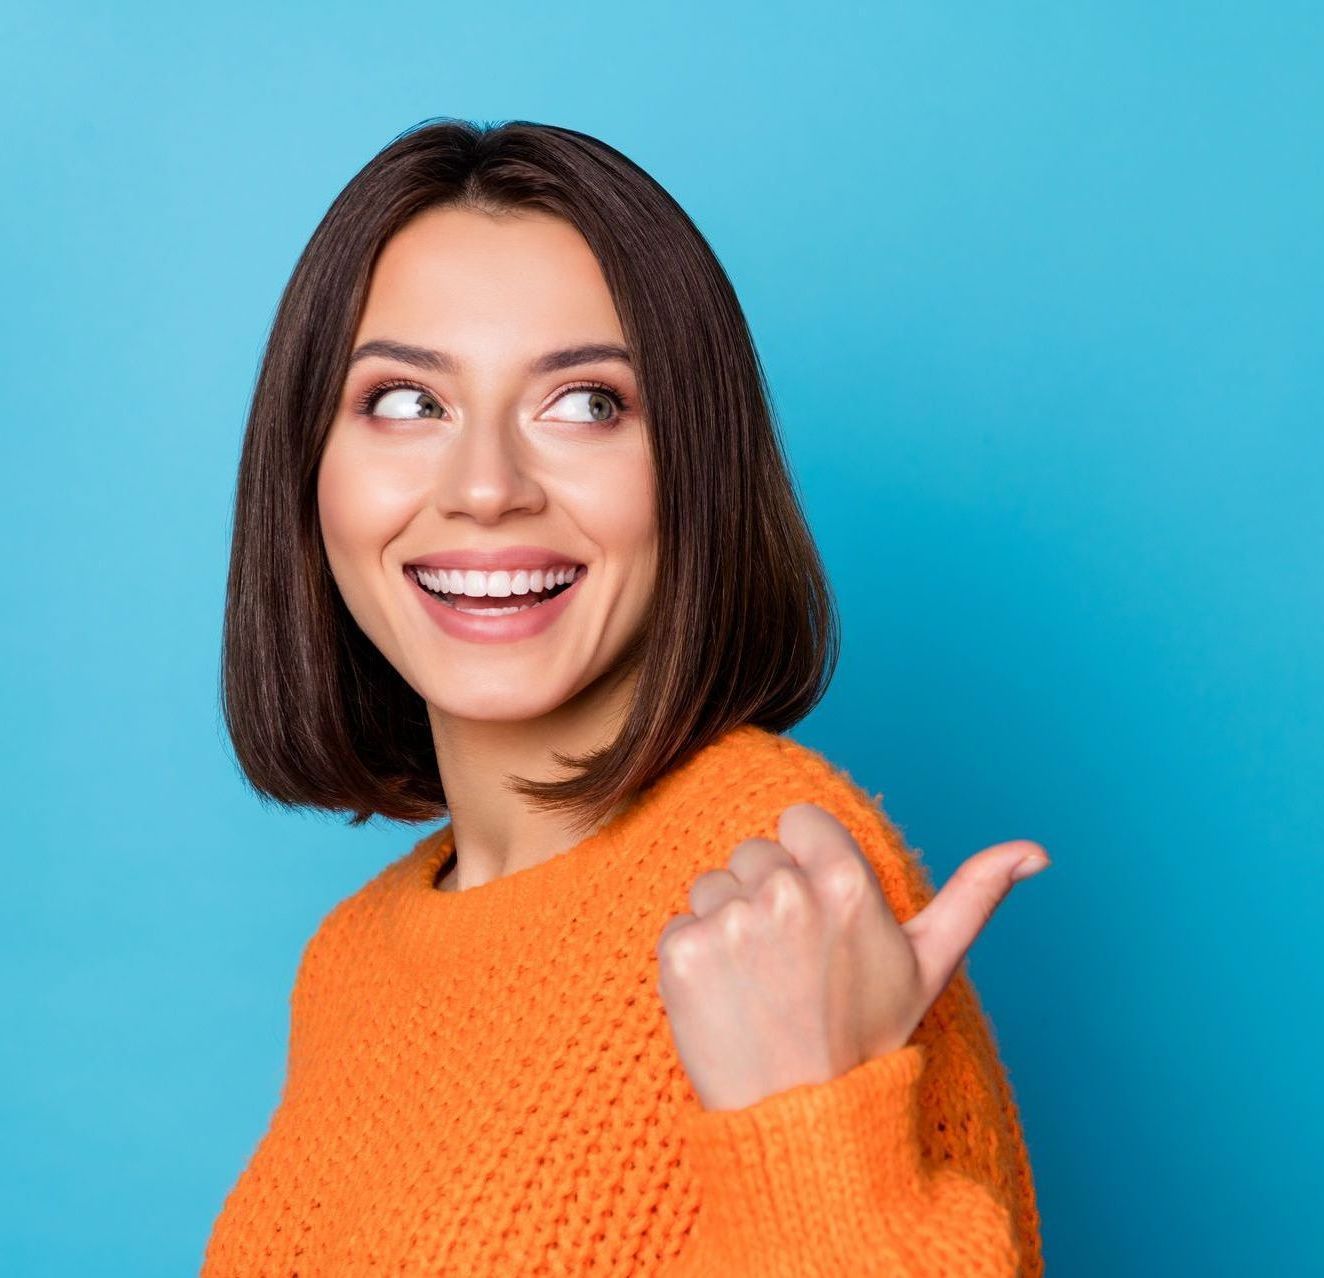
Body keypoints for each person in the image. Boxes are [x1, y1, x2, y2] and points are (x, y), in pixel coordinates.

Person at [202, 117, 1048, 1276]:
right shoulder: (352, 961)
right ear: (307, 470)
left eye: (588, 403)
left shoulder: (779, 889)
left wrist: (805, 1127)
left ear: (694, 469)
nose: (488, 488)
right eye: (404, 402)